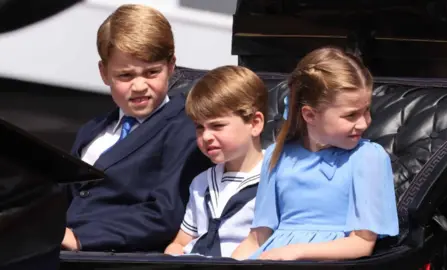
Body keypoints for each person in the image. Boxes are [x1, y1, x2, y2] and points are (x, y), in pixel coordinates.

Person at [62, 4, 210, 252]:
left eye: (152, 72)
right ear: (104, 73)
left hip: (119, 256)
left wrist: (80, 238)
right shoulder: (92, 130)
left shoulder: (186, 129)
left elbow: (167, 213)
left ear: (171, 66)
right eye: (126, 76)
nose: (140, 86)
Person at [232, 47, 399, 261]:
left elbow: (363, 242)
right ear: (310, 115)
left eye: (366, 110)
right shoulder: (277, 155)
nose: (364, 122)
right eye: (351, 115)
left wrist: (296, 251)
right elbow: (257, 238)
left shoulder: (368, 157)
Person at [164, 65, 268, 257]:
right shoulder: (200, 183)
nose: (206, 136)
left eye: (217, 126)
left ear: (255, 124)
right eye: (199, 128)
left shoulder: (274, 179)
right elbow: (181, 242)